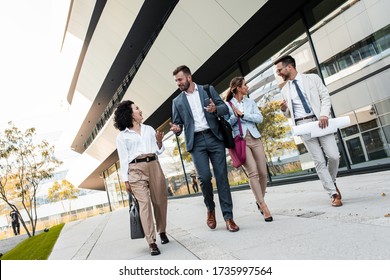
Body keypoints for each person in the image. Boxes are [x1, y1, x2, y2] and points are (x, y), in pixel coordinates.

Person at [170, 65, 239, 232]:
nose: (178, 83)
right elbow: (178, 123)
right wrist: (177, 129)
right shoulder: (177, 101)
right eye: (176, 81)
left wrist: (216, 109)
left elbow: (225, 108)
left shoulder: (207, 90)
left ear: (189, 77)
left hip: (214, 137)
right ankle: (210, 208)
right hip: (196, 142)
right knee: (204, 178)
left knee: (222, 177)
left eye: (180, 79)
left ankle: (228, 217)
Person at [274, 55, 342, 207]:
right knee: (319, 161)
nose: (278, 73)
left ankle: (331, 181)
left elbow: (325, 97)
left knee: (334, 156)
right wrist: (284, 109)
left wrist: (324, 114)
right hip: (303, 126)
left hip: (320, 121)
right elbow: (288, 114)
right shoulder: (284, 90)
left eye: (279, 70)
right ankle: (333, 193)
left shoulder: (312, 78)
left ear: (289, 67)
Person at [114, 100, 169, 256]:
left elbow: (159, 150)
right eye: (137, 109)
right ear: (130, 114)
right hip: (135, 170)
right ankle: (151, 241)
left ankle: (162, 231)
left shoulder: (149, 129)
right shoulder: (122, 136)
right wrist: (126, 180)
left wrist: (158, 141)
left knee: (159, 201)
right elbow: (123, 159)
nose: (140, 110)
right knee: (144, 205)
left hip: (153, 165)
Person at [225, 77, 273, 222]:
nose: (247, 87)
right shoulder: (228, 105)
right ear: (238, 88)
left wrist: (244, 114)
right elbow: (226, 123)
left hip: (255, 138)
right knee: (253, 173)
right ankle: (263, 206)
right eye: (245, 85)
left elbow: (259, 118)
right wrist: (235, 116)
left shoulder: (250, 102)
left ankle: (259, 200)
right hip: (240, 140)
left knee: (263, 173)